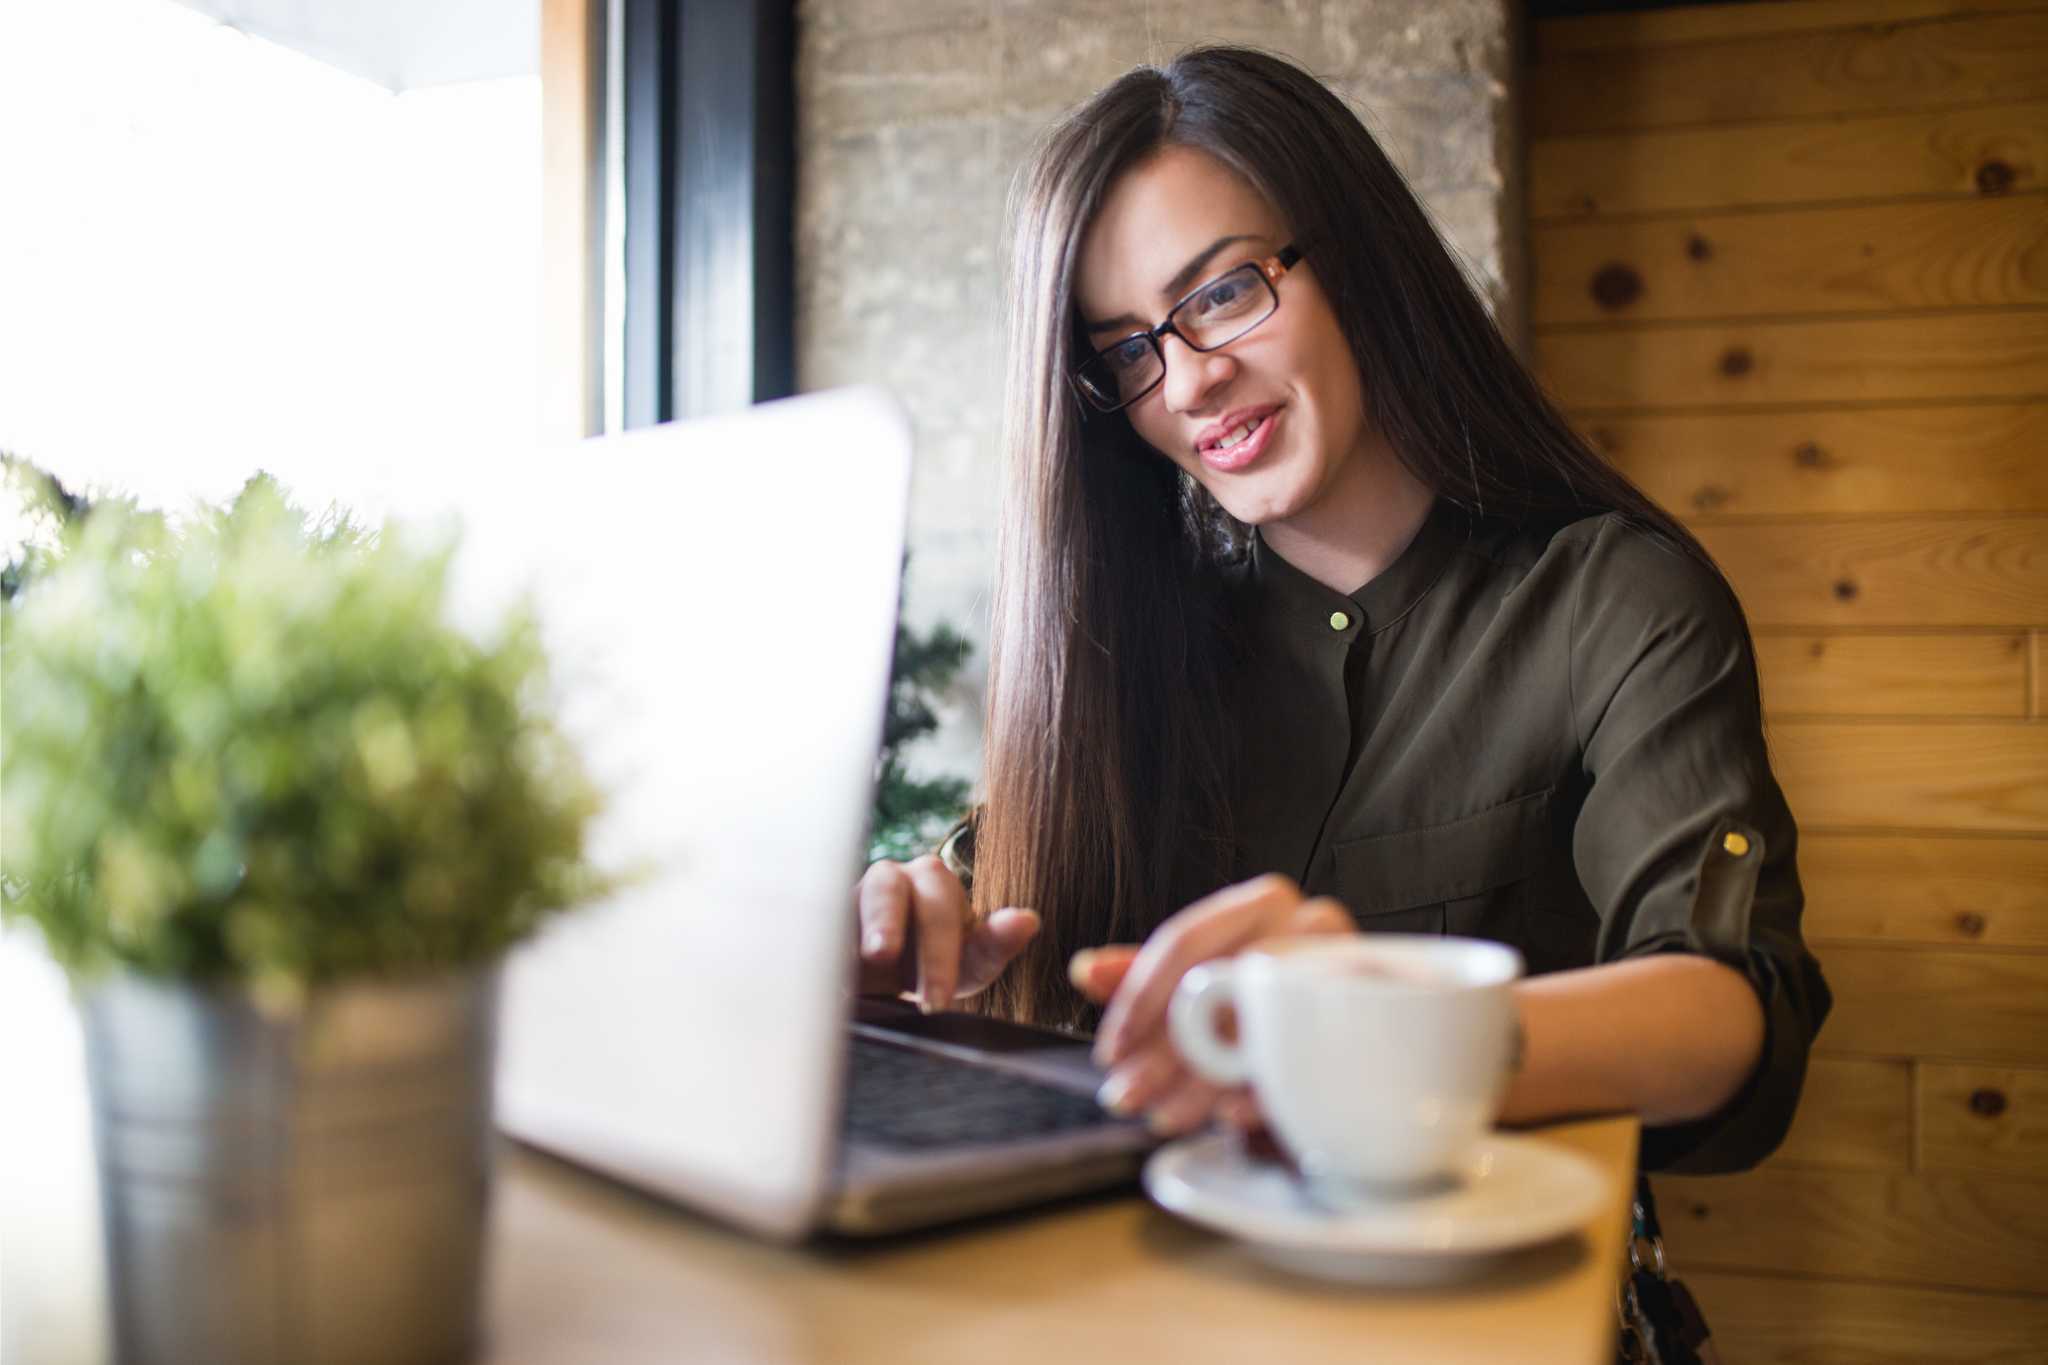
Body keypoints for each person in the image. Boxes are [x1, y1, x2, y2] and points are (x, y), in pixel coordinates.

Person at [854, 45, 1829, 1176]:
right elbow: (971, 897)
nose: (1183, 384)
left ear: (1357, 260)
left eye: (1219, 292)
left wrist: (1400, 1029)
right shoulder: (1126, 652)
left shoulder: (1614, 603)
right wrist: (907, 924)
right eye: (1124, 350)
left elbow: (1735, 1020)